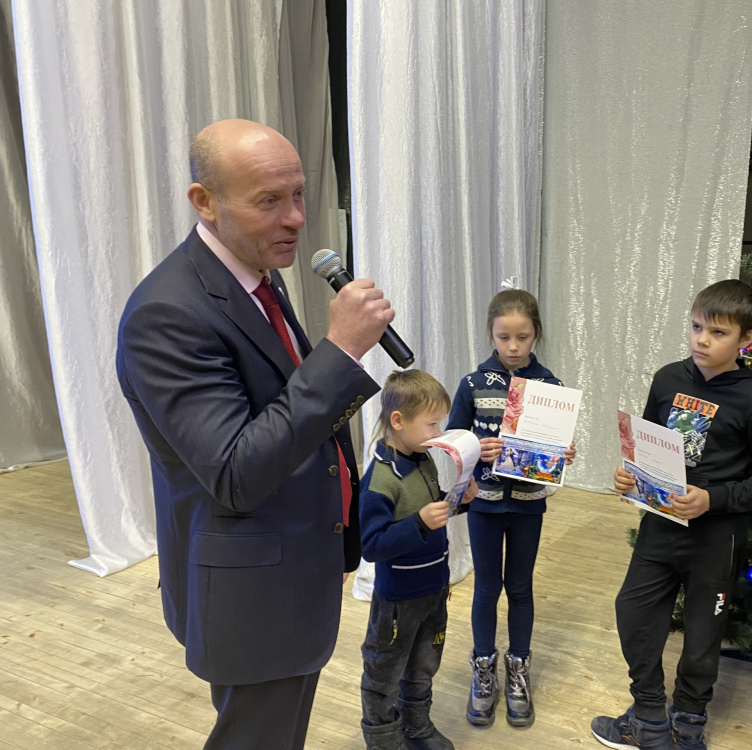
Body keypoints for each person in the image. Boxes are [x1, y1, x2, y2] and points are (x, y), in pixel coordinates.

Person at [116, 119, 393, 749]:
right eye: (268, 200)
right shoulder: (166, 314)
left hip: (294, 566)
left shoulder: (256, 274)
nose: (295, 218)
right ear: (204, 202)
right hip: (252, 593)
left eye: (297, 194)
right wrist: (341, 352)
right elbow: (235, 473)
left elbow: (283, 409)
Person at [591, 279, 752, 750]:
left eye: (718, 332)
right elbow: (646, 446)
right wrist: (629, 475)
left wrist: (712, 499)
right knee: (633, 612)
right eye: (697, 327)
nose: (702, 340)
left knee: (702, 637)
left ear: (747, 339)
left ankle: (689, 723)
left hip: (716, 539)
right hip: (660, 527)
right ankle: (649, 716)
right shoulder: (667, 380)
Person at [447, 287, 576, 728]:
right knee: (486, 587)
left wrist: (563, 454)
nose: (514, 346)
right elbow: (453, 440)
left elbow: (556, 446)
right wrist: (475, 447)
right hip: (484, 505)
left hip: (527, 505)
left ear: (536, 333)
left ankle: (518, 666)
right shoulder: (472, 384)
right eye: (504, 337)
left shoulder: (552, 387)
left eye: (523, 337)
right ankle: (483, 667)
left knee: (520, 588)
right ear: (491, 333)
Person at [358, 369, 477, 750]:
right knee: (384, 674)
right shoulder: (380, 479)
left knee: (424, 666)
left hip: (433, 589)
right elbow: (372, 545)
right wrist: (419, 523)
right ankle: (384, 741)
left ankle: (416, 727)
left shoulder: (423, 459)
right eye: (432, 423)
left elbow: (430, 509)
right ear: (398, 421)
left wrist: (458, 501)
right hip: (397, 600)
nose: (439, 432)